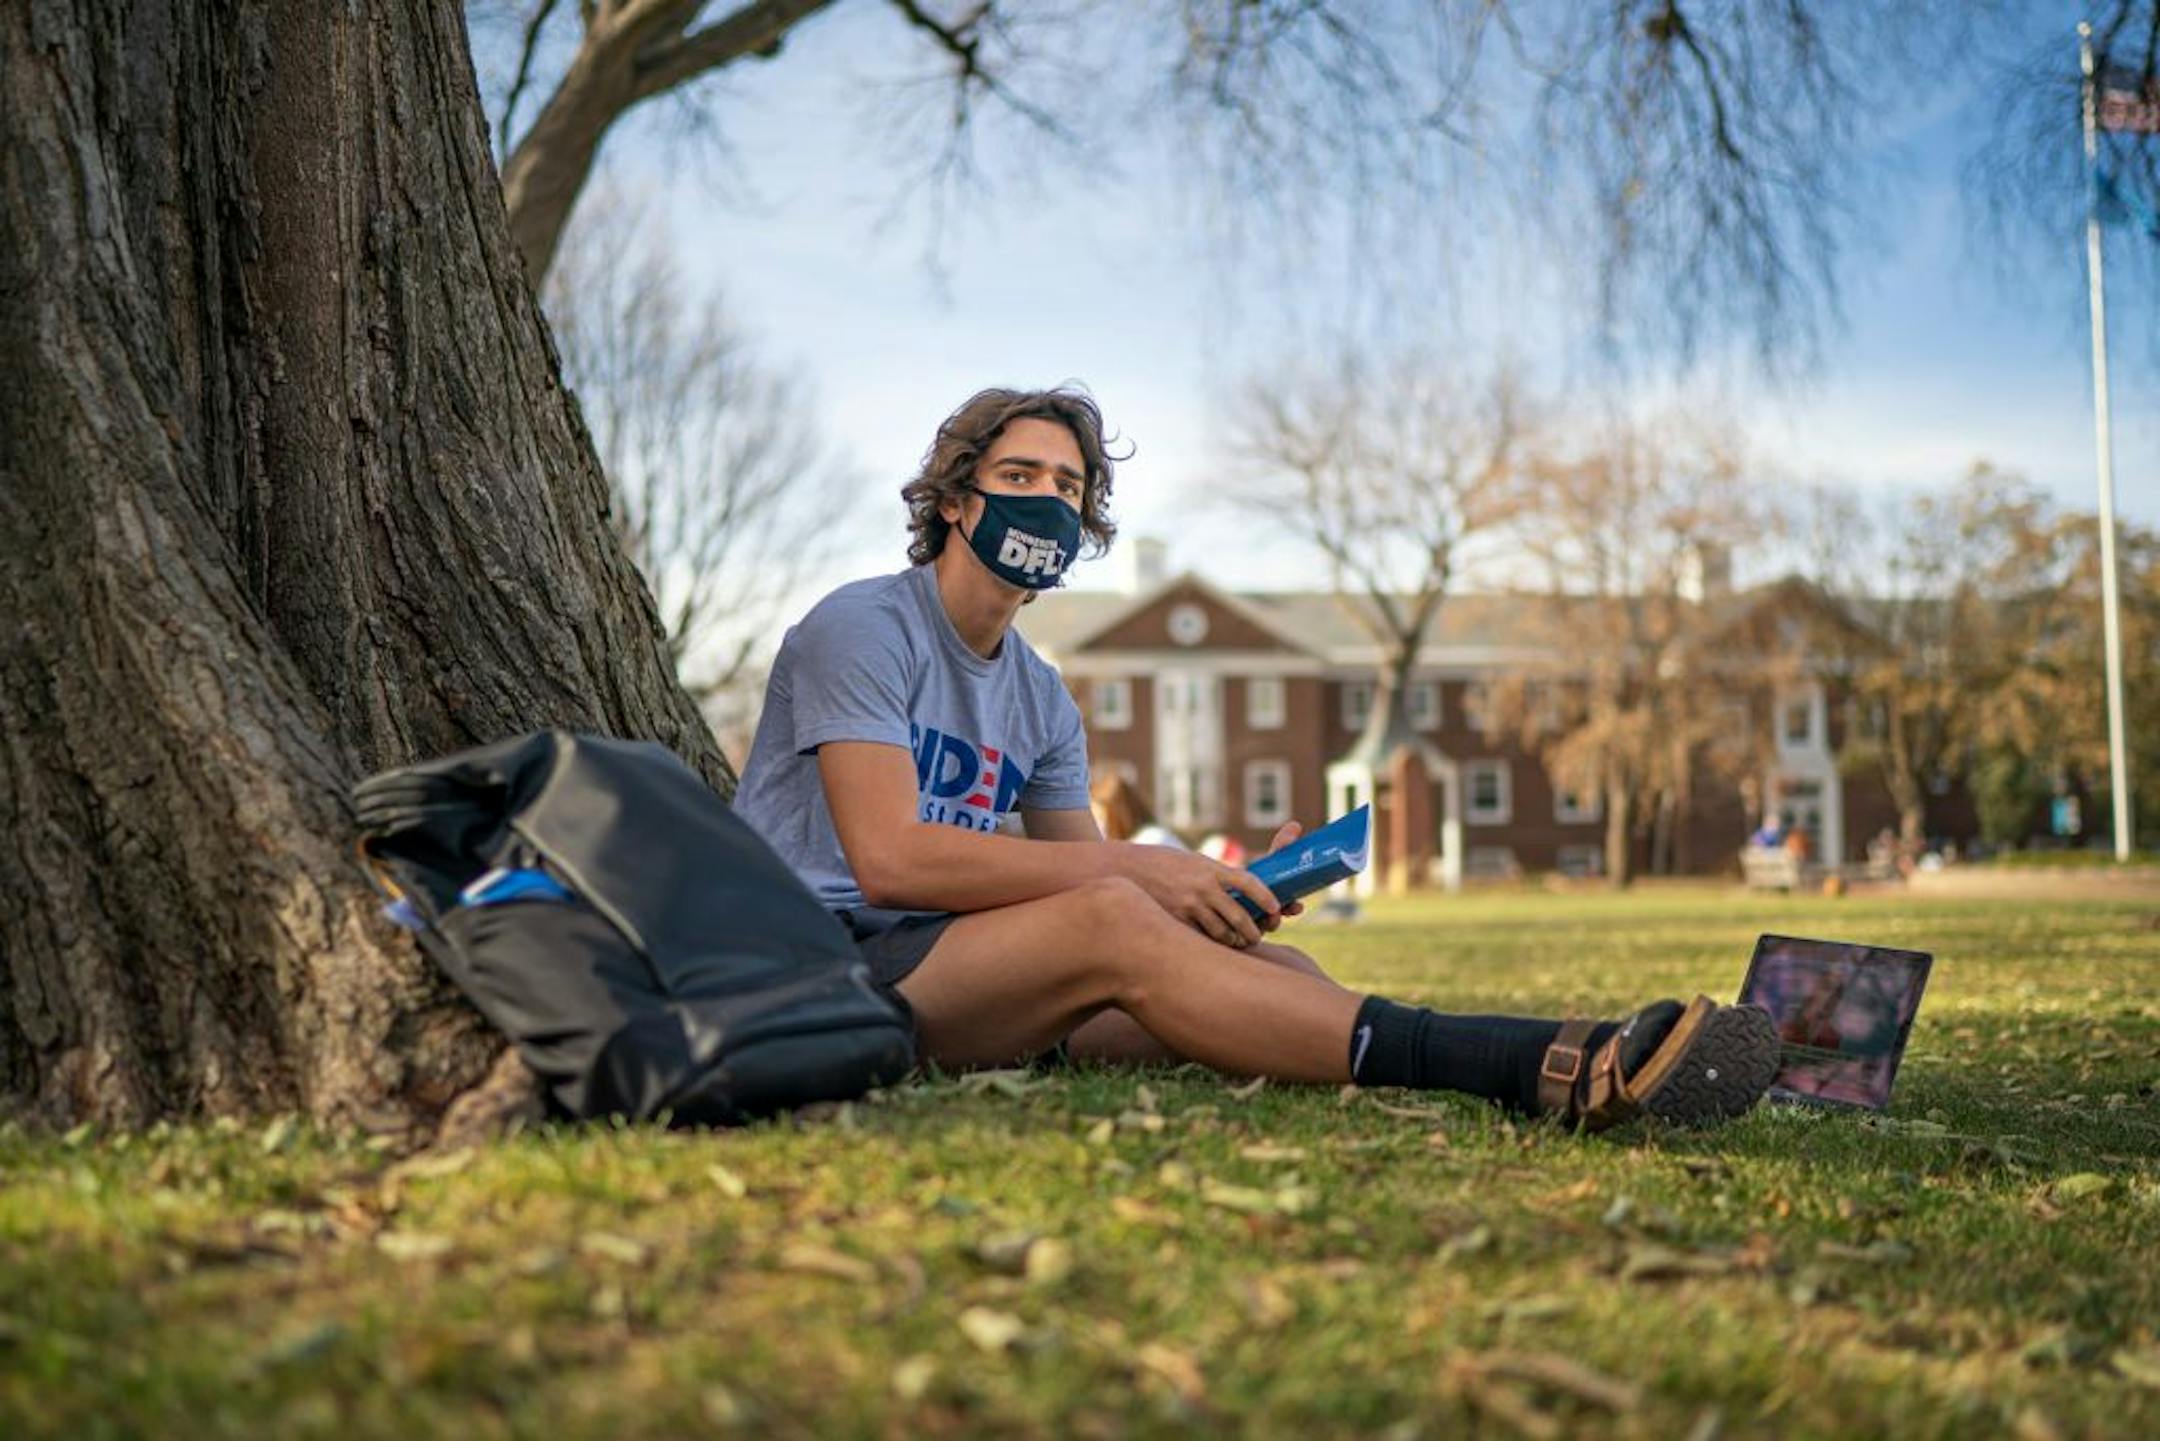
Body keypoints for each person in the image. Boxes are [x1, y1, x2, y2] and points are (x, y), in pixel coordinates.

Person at [730, 386, 1778, 1130]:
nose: (1045, 497)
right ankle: (1534, 1060)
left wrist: (1225, 893)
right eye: (1017, 474)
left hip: (956, 970)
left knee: (1273, 973)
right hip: (815, 968)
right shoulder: (864, 627)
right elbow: (892, 862)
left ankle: (1628, 1072)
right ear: (957, 500)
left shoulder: (1041, 694)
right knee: (1117, 914)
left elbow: (1078, 877)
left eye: (1067, 481)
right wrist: (1146, 869)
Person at [1089, 772, 1185, 849]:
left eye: (1100, 818)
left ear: (1119, 815)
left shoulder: (1151, 840)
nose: (1098, 825)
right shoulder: (1145, 840)